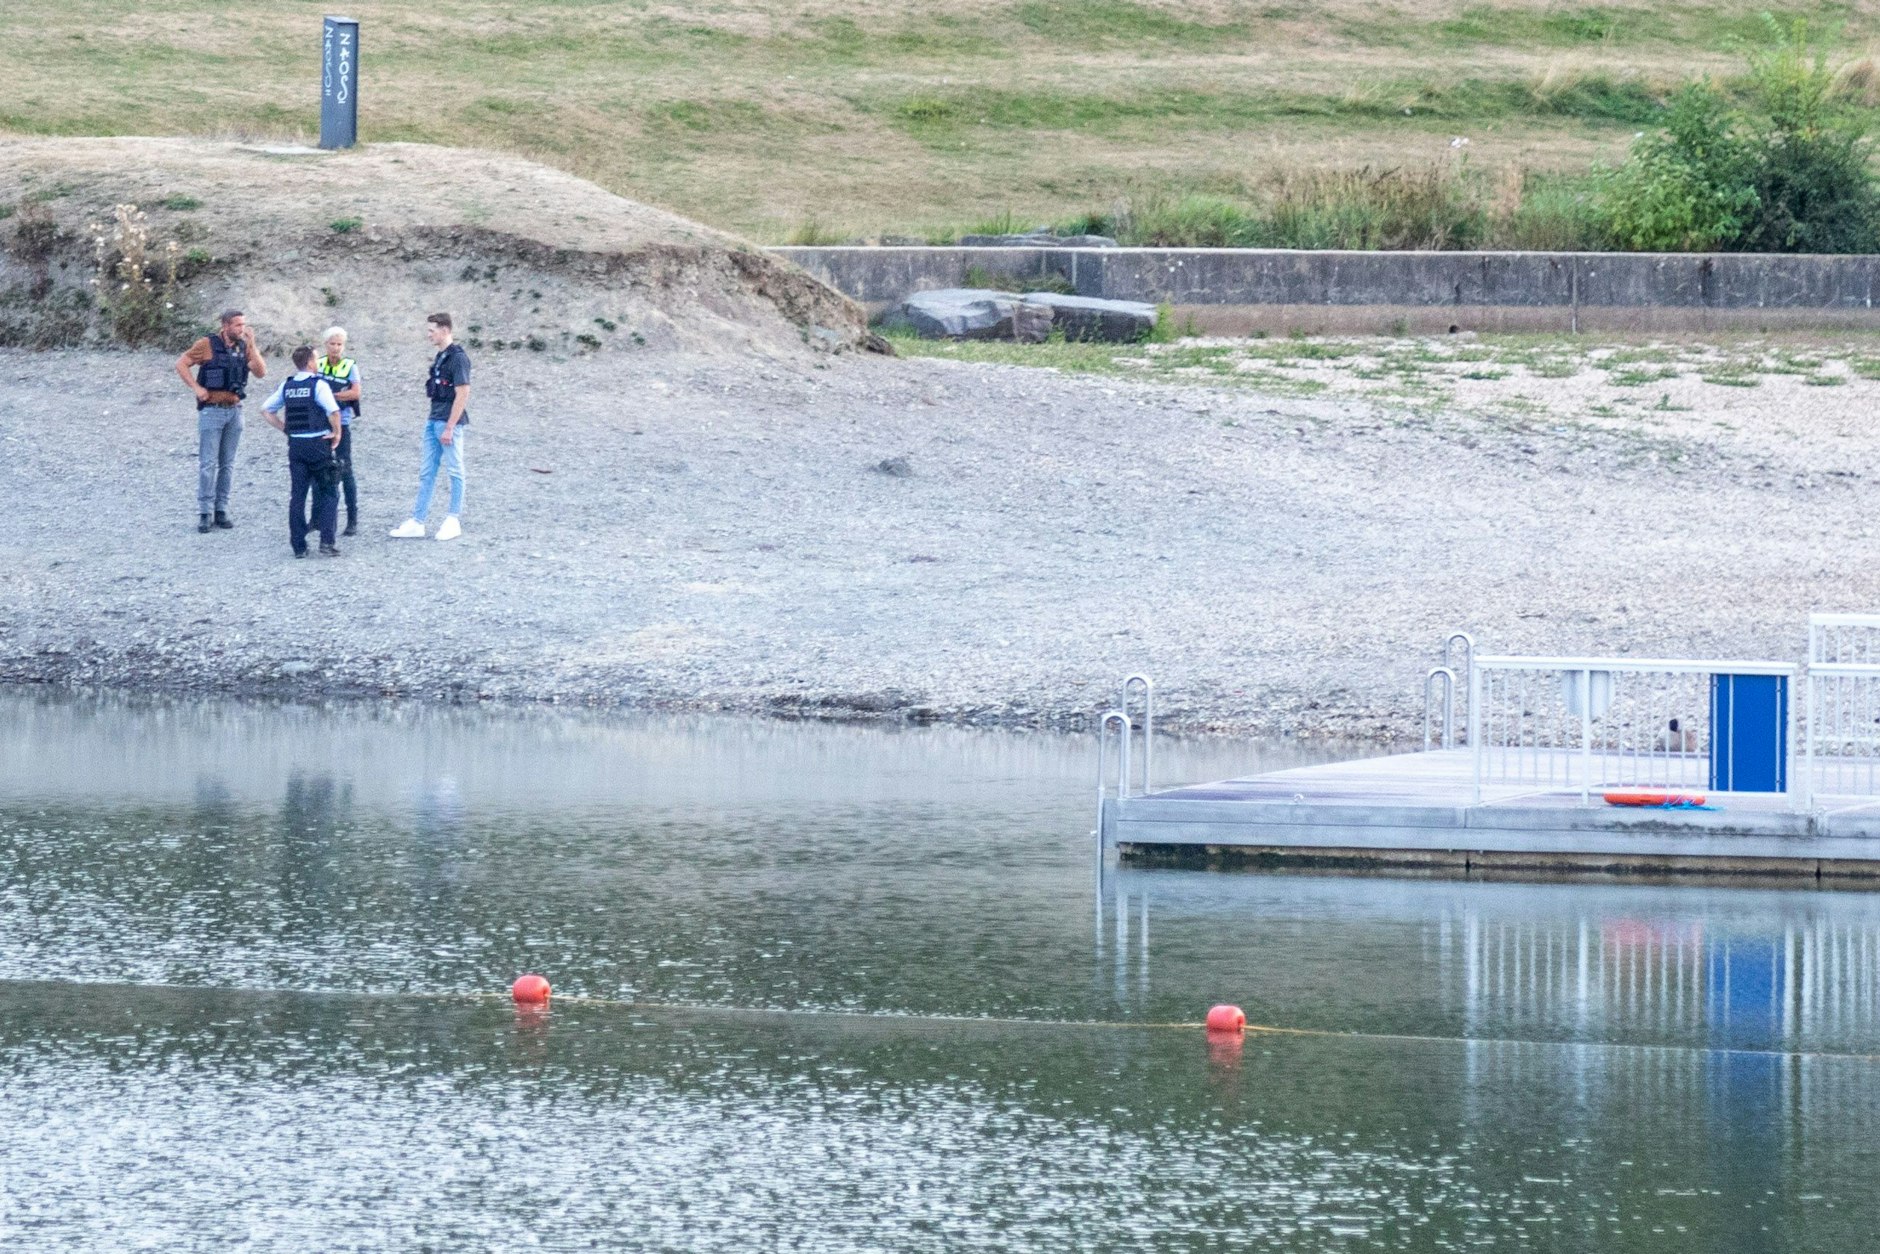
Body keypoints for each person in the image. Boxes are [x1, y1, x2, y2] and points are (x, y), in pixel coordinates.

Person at [174, 309, 267, 534]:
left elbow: (261, 372)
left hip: (234, 410)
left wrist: (252, 345)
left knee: (227, 464)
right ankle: (205, 511)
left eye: (243, 325)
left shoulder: (244, 347)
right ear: (225, 325)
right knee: (208, 464)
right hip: (212, 410)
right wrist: (197, 388)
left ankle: (221, 509)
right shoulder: (207, 344)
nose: (242, 329)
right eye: (237, 325)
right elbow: (181, 364)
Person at [389, 312, 471, 542]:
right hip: (433, 419)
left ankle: (453, 519)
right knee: (427, 473)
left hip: (447, 422)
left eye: (432, 330)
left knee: (455, 471)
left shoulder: (458, 358)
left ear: (445, 330)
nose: (429, 335)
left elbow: (463, 393)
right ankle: (418, 520)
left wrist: (450, 426)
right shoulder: (441, 357)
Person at [260, 345, 344, 557]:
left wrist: (285, 429)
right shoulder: (319, 385)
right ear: (309, 362)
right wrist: (337, 433)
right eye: (315, 359)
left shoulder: (287, 385)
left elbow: (266, 410)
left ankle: (299, 546)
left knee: (297, 496)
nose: (318, 363)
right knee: (329, 491)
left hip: (296, 446)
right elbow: (333, 411)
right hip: (318, 444)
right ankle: (327, 541)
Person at [315, 326, 364, 536]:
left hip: (341, 422)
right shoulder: (317, 364)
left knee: (345, 469)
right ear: (325, 345)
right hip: (320, 421)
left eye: (339, 344)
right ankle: (318, 517)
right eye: (332, 344)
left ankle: (352, 517)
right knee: (319, 469)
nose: (336, 348)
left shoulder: (350, 366)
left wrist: (330, 396)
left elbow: (355, 392)